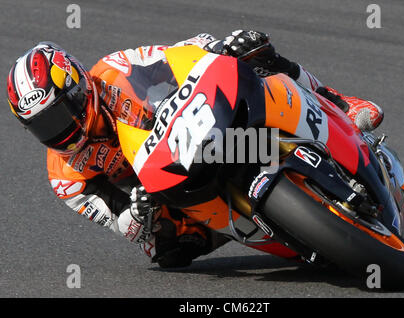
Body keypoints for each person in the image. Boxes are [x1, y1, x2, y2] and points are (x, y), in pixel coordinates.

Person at [6, 30, 383, 268]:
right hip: (163, 187)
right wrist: (138, 215)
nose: (61, 133)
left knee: (250, 49)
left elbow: (179, 55)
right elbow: (121, 223)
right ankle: (272, 228)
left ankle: (340, 102)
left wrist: (217, 49)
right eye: (43, 127)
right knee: (166, 253)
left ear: (78, 87)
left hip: (195, 121)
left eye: (58, 115)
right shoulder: (65, 177)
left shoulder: (115, 68)